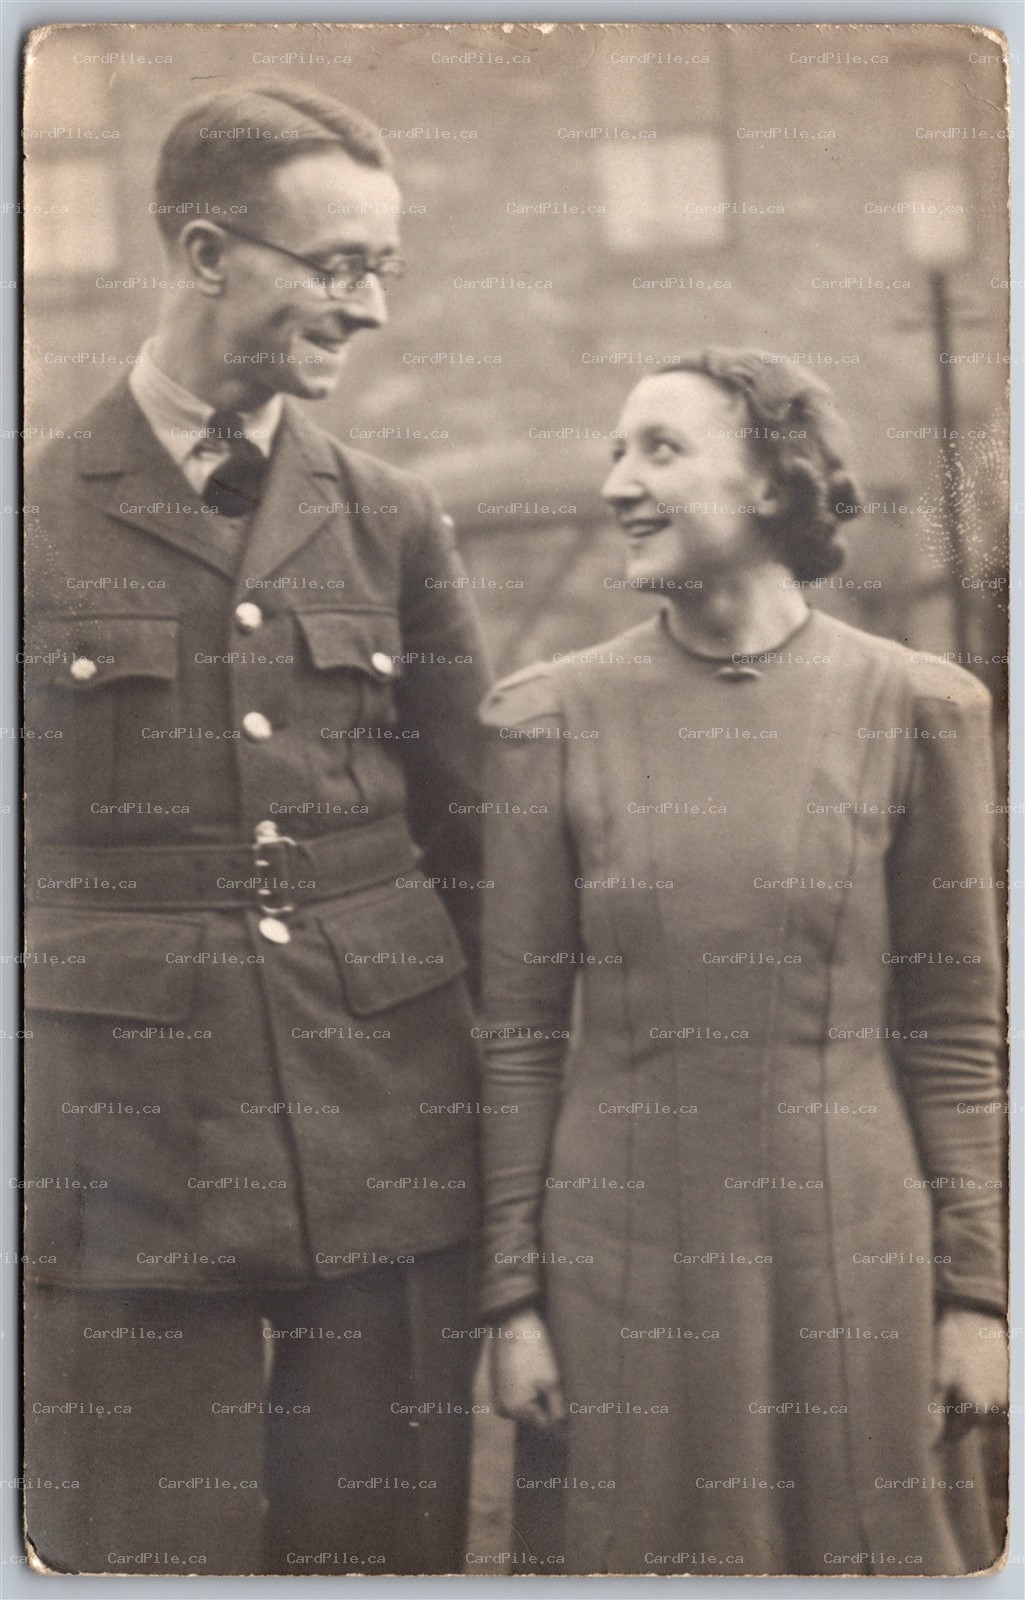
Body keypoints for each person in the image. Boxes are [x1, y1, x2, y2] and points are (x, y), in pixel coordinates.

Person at [23, 84, 490, 1575]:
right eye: (336, 265)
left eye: (382, 270)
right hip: (122, 1143)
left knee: (382, 1544)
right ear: (208, 252)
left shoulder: (390, 517)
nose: (368, 309)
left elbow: (476, 836)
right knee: (141, 1548)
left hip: (385, 1117)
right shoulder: (33, 520)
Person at [477, 350, 1007, 1575]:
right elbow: (515, 1036)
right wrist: (511, 1301)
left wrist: (974, 1295)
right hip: (618, 1270)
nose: (617, 483)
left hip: (856, 1257)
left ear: (774, 482)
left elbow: (952, 1030)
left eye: (659, 449)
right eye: (615, 451)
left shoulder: (918, 711)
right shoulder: (544, 719)